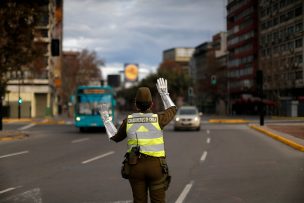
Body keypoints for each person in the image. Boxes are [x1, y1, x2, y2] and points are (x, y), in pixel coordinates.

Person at [99, 78, 177, 203]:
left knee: (139, 200)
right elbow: (172, 109)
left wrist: (106, 120)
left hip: (135, 167)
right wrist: (164, 94)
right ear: (151, 104)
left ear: (136, 104)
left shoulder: (128, 120)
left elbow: (115, 137)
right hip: (156, 167)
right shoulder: (158, 119)